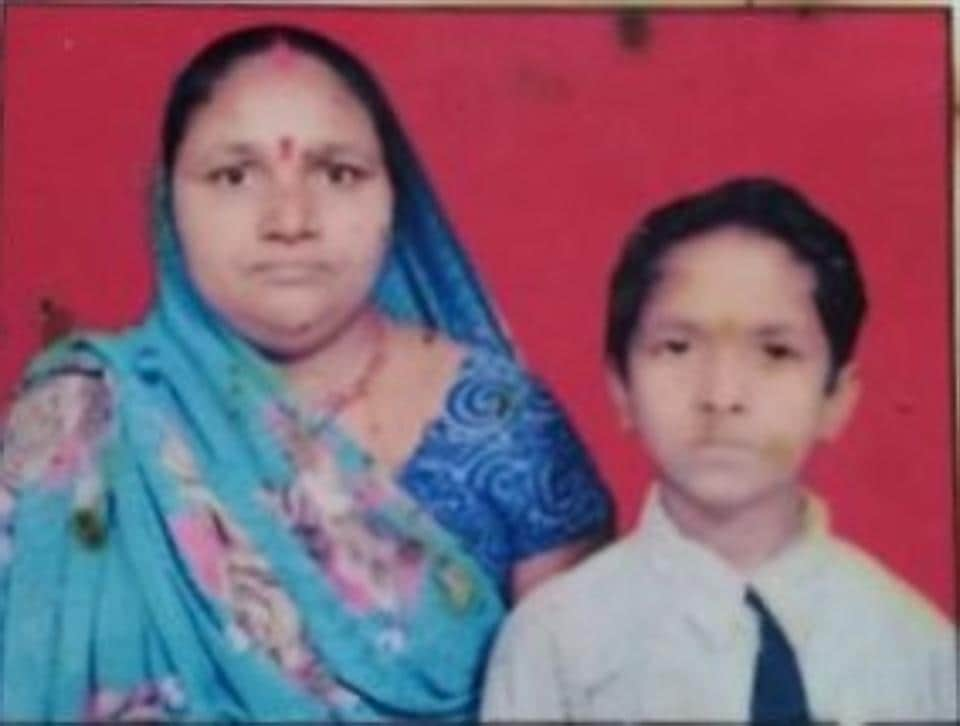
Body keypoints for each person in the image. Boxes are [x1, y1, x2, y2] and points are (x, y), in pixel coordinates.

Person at [0, 25, 612, 721]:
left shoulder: (505, 425)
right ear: (168, 202)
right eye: (234, 175)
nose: (290, 220)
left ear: (394, 198)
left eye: (338, 173)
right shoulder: (81, 417)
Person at [481, 177, 958, 723]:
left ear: (837, 398)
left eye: (776, 352)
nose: (722, 395)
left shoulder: (920, 649)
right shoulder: (554, 644)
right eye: (677, 348)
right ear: (621, 388)